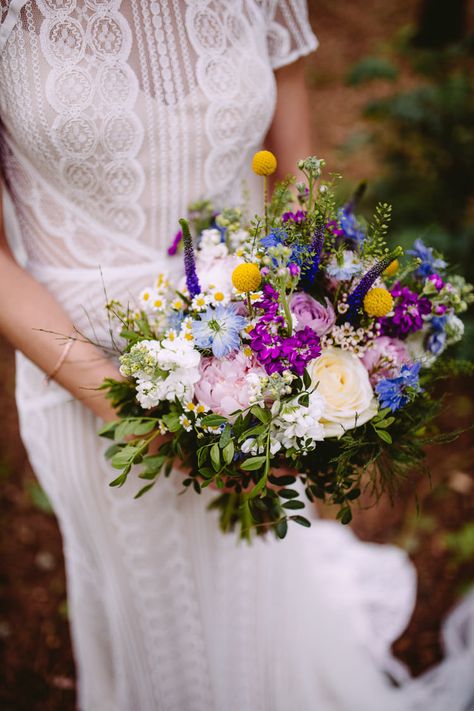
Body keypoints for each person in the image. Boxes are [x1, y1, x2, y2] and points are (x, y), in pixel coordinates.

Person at [0, 2, 473, 710]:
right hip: (80, 371)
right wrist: (143, 414)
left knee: (255, 583)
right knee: (155, 626)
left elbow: (297, 177)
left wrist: (307, 334)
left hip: (257, 360)